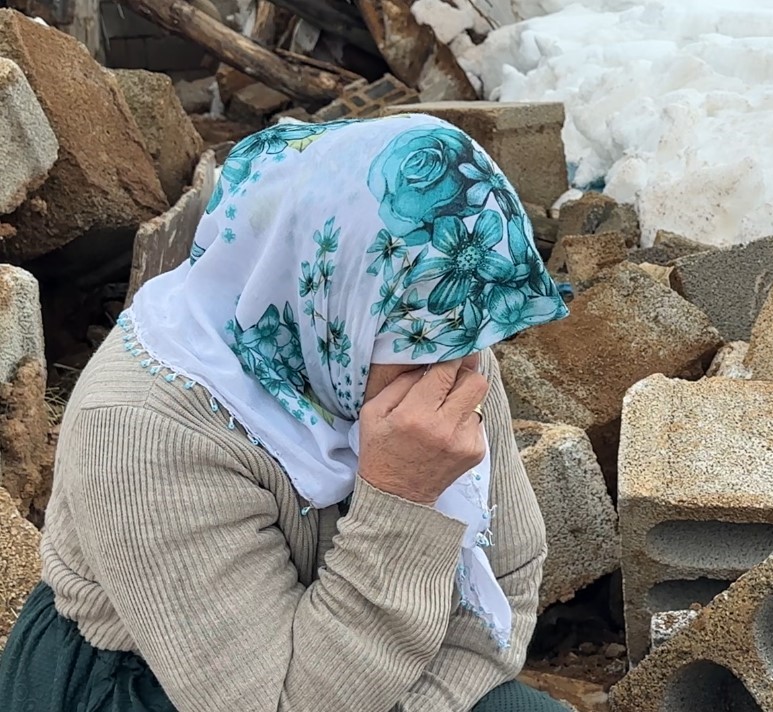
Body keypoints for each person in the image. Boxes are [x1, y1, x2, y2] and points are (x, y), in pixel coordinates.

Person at [0, 114, 573, 712]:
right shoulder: (141, 426)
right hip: (147, 683)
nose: (456, 369)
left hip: (376, 668)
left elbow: (508, 585)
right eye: (418, 345)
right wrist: (402, 497)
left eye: (468, 337)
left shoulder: (440, 339)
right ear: (329, 305)